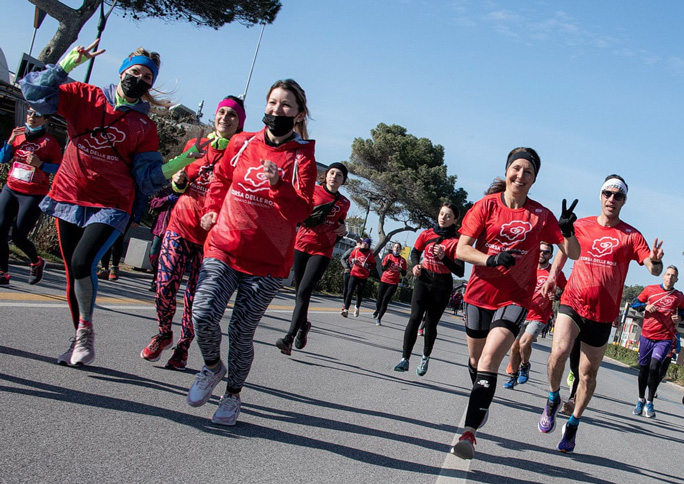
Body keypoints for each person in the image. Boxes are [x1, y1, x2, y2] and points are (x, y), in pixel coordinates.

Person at [19, 40, 196, 366]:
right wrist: (68, 62)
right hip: (70, 195)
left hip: (112, 204)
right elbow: (34, 94)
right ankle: (78, 338)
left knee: (83, 262)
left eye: (146, 77)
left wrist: (181, 161)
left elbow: (148, 177)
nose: (138, 79)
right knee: (74, 271)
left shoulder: (144, 126)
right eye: (134, 71)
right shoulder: (85, 96)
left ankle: (85, 332)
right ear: (122, 71)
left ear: (149, 86)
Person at [186, 79, 316, 426]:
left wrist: (277, 185)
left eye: (286, 105)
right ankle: (213, 367)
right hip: (225, 245)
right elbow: (221, 180)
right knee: (202, 313)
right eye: (273, 102)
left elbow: (301, 211)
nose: (277, 110)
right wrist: (212, 208)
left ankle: (233, 395)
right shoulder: (242, 143)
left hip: (268, 261)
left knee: (242, 332)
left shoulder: (302, 158)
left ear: (299, 113)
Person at [450, 147, 580, 460]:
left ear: (535, 180)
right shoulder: (485, 206)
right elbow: (461, 250)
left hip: (515, 297)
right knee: (475, 361)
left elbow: (573, 252)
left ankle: (469, 432)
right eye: (516, 169)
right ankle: (481, 400)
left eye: (528, 172)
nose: (520, 176)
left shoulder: (541, 215)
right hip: (479, 295)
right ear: (507, 171)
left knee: (490, 359)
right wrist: (491, 259)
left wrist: (566, 231)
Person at [537, 174, 663, 454]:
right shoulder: (581, 225)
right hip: (573, 301)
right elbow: (564, 250)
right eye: (608, 193)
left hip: (603, 314)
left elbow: (651, 268)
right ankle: (553, 397)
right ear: (600, 195)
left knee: (588, 374)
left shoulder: (631, 235)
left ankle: (572, 423)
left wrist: (656, 263)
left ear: (624, 201)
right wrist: (552, 276)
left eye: (618, 196)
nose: (611, 199)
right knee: (557, 353)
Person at [140, 96, 246, 369]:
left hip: (211, 240)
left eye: (232, 115)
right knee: (164, 286)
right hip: (180, 226)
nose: (225, 118)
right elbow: (180, 183)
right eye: (221, 112)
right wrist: (178, 181)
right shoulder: (196, 145)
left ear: (240, 123)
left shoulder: (241, 157)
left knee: (194, 300)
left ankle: (183, 348)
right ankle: (164, 333)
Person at [275, 162, 350, 355]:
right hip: (301, 245)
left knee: (304, 292)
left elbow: (340, 225)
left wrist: (343, 230)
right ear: (326, 176)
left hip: (322, 250)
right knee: (300, 292)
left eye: (339, 175)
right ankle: (304, 325)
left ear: (343, 181)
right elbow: (297, 212)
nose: (334, 177)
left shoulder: (344, 202)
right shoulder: (312, 191)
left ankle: (289, 338)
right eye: (332, 173)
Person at [394, 203, 464, 375]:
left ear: (455, 220)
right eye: (441, 214)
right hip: (423, 278)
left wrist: (444, 258)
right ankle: (405, 359)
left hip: (442, 283)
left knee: (431, 324)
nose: (443, 218)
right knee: (415, 317)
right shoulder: (427, 233)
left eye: (448, 216)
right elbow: (415, 252)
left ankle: (425, 357)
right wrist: (416, 265)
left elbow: (460, 270)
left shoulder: (457, 241)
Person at [0, 108, 62, 286]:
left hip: (33, 194)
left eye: (37, 115)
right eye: (29, 113)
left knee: (19, 237)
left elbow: (59, 168)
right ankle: (3, 272)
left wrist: (41, 164)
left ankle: (36, 261)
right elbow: (3, 159)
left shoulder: (49, 142)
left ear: (46, 120)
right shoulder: (18, 134)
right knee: (0, 231)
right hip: (11, 188)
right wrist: (10, 142)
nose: (32, 117)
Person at [503, 241, 567, 389]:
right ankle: (513, 375)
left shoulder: (554, 273)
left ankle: (525, 366)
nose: (542, 254)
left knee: (524, 343)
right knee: (514, 347)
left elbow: (567, 289)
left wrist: (556, 297)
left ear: (551, 255)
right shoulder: (527, 267)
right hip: (521, 311)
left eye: (546, 252)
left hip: (539, 315)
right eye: (540, 251)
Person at [630, 265, 684, 418]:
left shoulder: (679, 296)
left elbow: (683, 311)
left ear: (676, 279)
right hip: (647, 335)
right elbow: (635, 303)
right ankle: (640, 399)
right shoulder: (650, 289)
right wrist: (645, 306)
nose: (670, 277)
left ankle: (650, 402)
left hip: (665, 338)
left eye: (673, 275)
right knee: (644, 369)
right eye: (668, 274)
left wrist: (680, 318)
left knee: (655, 368)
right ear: (663, 276)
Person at [146, 186, 178, 291]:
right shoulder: (166, 191)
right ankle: (156, 274)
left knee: (165, 258)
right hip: (159, 229)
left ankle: (157, 280)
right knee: (153, 254)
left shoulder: (184, 193)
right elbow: (153, 204)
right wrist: (166, 199)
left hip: (173, 231)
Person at [341, 238, 377, 317]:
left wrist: (367, 265)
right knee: (349, 292)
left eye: (366, 243)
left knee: (359, 293)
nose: (364, 244)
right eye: (363, 243)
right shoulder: (356, 251)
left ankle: (357, 307)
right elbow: (350, 258)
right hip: (354, 274)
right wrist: (353, 260)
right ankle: (346, 309)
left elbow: (374, 265)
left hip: (363, 276)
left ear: (368, 245)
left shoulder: (369, 255)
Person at [373, 242, 407, 326]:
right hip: (384, 280)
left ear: (400, 249)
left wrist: (401, 269)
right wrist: (387, 263)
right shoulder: (388, 256)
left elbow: (404, 274)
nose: (396, 248)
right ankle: (377, 310)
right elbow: (383, 268)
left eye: (398, 247)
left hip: (393, 283)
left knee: (385, 301)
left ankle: (379, 318)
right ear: (392, 248)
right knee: (379, 299)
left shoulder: (402, 260)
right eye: (395, 247)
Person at [340, 239, 360, 307]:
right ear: (357, 243)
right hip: (348, 271)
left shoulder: (363, 253)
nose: (361, 244)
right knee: (346, 288)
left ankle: (354, 304)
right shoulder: (351, 250)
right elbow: (342, 258)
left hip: (357, 273)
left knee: (353, 289)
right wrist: (346, 267)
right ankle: (345, 303)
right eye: (360, 243)